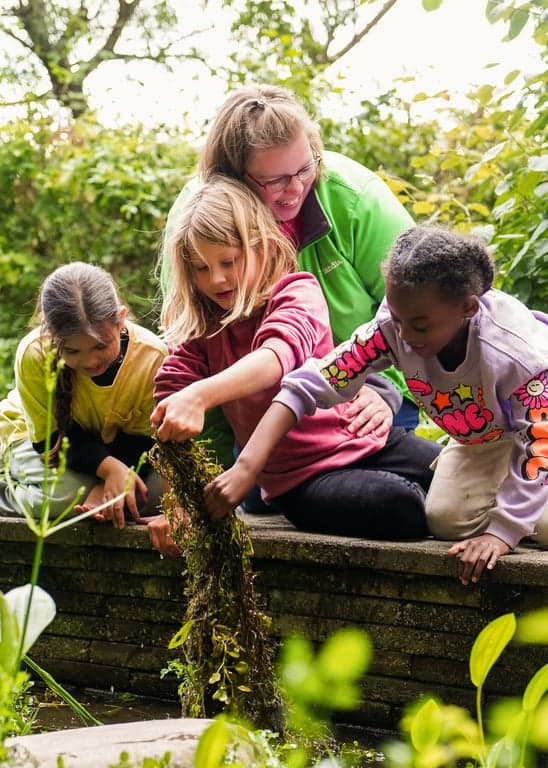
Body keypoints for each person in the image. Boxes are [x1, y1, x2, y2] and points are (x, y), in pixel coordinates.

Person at [206, 226, 548, 585]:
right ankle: (527, 497)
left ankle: (531, 506)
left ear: (467, 307)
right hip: (484, 440)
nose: (405, 338)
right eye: (398, 321)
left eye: (419, 327)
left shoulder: (516, 354)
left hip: (537, 432)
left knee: (541, 529)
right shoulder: (394, 325)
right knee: (446, 521)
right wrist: (246, 466)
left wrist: (502, 532)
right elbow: (310, 384)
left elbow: (539, 441)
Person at [147, 177, 440, 556]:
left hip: (368, 442)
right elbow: (169, 398)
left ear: (262, 248)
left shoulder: (298, 292)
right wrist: (176, 503)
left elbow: (275, 360)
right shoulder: (203, 329)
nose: (216, 279)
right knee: (401, 507)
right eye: (201, 269)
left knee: (454, 472)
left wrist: (199, 395)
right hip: (301, 480)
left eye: (228, 262)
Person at [158, 83, 419, 505]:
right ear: (234, 178)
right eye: (275, 179)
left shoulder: (353, 196)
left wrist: (386, 387)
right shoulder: (199, 221)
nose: (295, 188)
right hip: (264, 427)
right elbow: (192, 357)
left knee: (419, 490)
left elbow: (423, 300)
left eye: (305, 169)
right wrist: (206, 480)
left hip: (366, 398)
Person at [0, 262, 167, 529]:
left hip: (118, 451)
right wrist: (108, 470)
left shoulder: (152, 357)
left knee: (153, 494)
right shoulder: (34, 353)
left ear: (121, 319)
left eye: (100, 346)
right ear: (52, 336)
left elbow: (145, 440)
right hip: (40, 444)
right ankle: (7, 489)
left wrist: (109, 482)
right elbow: (48, 441)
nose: (90, 361)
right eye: (73, 352)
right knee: (67, 495)